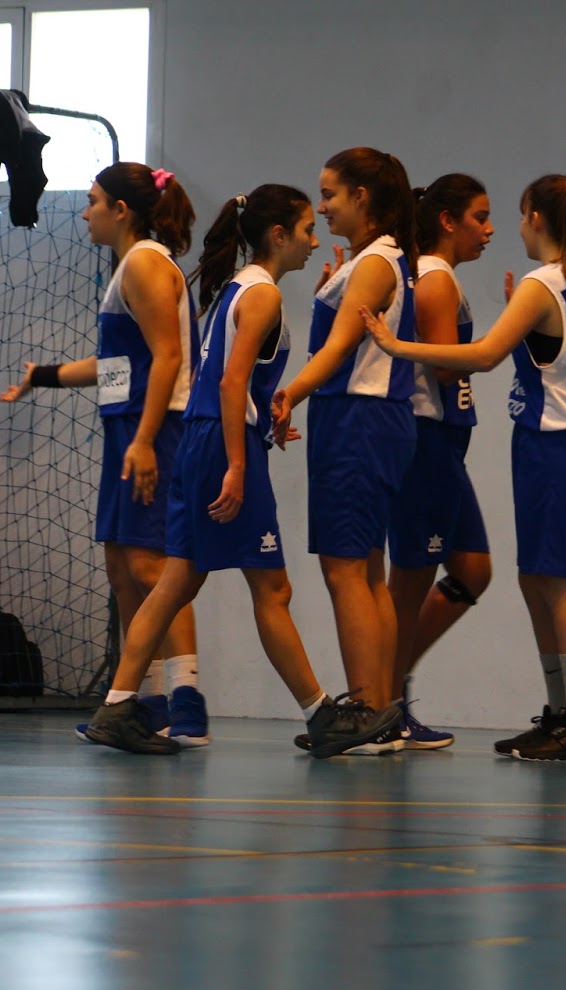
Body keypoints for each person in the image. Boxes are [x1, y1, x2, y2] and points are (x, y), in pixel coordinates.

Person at [81, 185, 389, 757]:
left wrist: (264, 419)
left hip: (207, 441)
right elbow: (229, 383)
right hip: (222, 448)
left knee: (176, 583)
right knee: (271, 587)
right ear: (278, 234)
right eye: (306, 230)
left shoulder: (239, 287)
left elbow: (234, 384)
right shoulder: (262, 293)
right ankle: (322, 716)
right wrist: (239, 464)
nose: (313, 240)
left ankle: (118, 705)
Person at [360, 173, 566, 762]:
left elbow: (480, 356)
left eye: (518, 214)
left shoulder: (541, 284)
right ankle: (560, 715)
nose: (506, 227)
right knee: (535, 577)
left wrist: (397, 347)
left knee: (562, 580)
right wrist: (534, 338)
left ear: (538, 218)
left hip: (560, 441)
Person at [0, 162, 212, 743]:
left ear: (121, 209)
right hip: (130, 426)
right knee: (122, 568)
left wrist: (144, 441)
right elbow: (121, 365)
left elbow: (168, 358)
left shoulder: (144, 261)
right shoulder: (131, 266)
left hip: (156, 428)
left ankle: (187, 702)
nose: (85, 211)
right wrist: (43, 376)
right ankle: (151, 702)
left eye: (93, 200)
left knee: (154, 567)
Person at [267, 147, 417, 749]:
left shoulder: (376, 263)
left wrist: (289, 393)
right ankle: (379, 710)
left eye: (330, 194)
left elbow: (340, 348)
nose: (322, 206)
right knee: (368, 573)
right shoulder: (373, 260)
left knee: (345, 570)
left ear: (362, 196)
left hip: (359, 419)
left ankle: (366, 711)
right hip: (368, 420)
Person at [383, 174, 497, 748]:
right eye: (480, 216)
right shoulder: (433, 277)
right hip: (425, 440)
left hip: (449, 443)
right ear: (448, 221)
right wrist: (504, 340)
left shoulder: (441, 276)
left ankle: (393, 677)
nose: (489, 229)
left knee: (473, 570)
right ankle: (383, 702)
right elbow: (449, 366)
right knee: (408, 581)